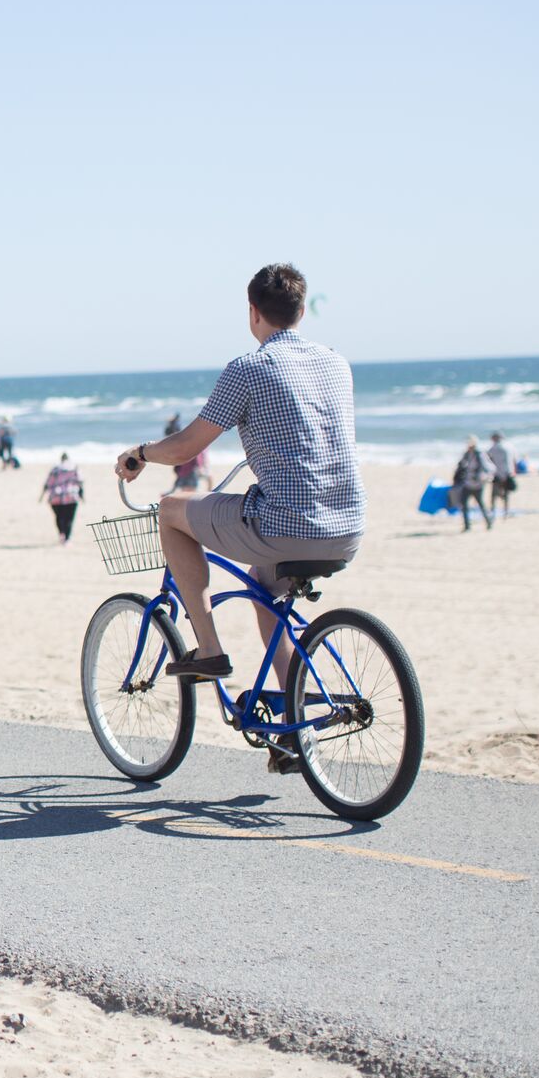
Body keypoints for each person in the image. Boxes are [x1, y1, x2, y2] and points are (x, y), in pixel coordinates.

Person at [115, 264, 365, 774]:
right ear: (301, 309)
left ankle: (207, 648)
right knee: (264, 591)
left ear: (252, 312)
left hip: (285, 525)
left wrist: (140, 453)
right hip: (347, 527)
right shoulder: (337, 363)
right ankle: (293, 726)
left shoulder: (248, 368)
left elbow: (187, 445)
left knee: (170, 511)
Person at [451, 436, 494, 532]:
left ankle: (489, 522)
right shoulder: (466, 454)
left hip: (478, 484)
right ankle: (467, 526)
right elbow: (461, 467)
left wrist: (485, 477)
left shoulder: (480, 454)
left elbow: (489, 467)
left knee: (480, 504)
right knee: (464, 504)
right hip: (467, 483)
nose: (468, 446)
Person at [40, 453, 84, 544]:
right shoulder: (74, 468)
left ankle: (61, 534)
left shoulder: (55, 469)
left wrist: (41, 496)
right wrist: (81, 495)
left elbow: (48, 483)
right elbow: (80, 482)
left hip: (56, 497)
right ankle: (67, 538)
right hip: (71, 496)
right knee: (69, 518)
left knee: (59, 517)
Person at [487, 431, 516, 520]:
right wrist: (512, 472)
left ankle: (493, 512)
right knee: (506, 494)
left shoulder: (493, 448)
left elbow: (489, 461)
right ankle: (506, 512)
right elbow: (512, 461)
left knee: (494, 495)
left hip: (497, 473)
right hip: (507, 473)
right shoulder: (508, 447)